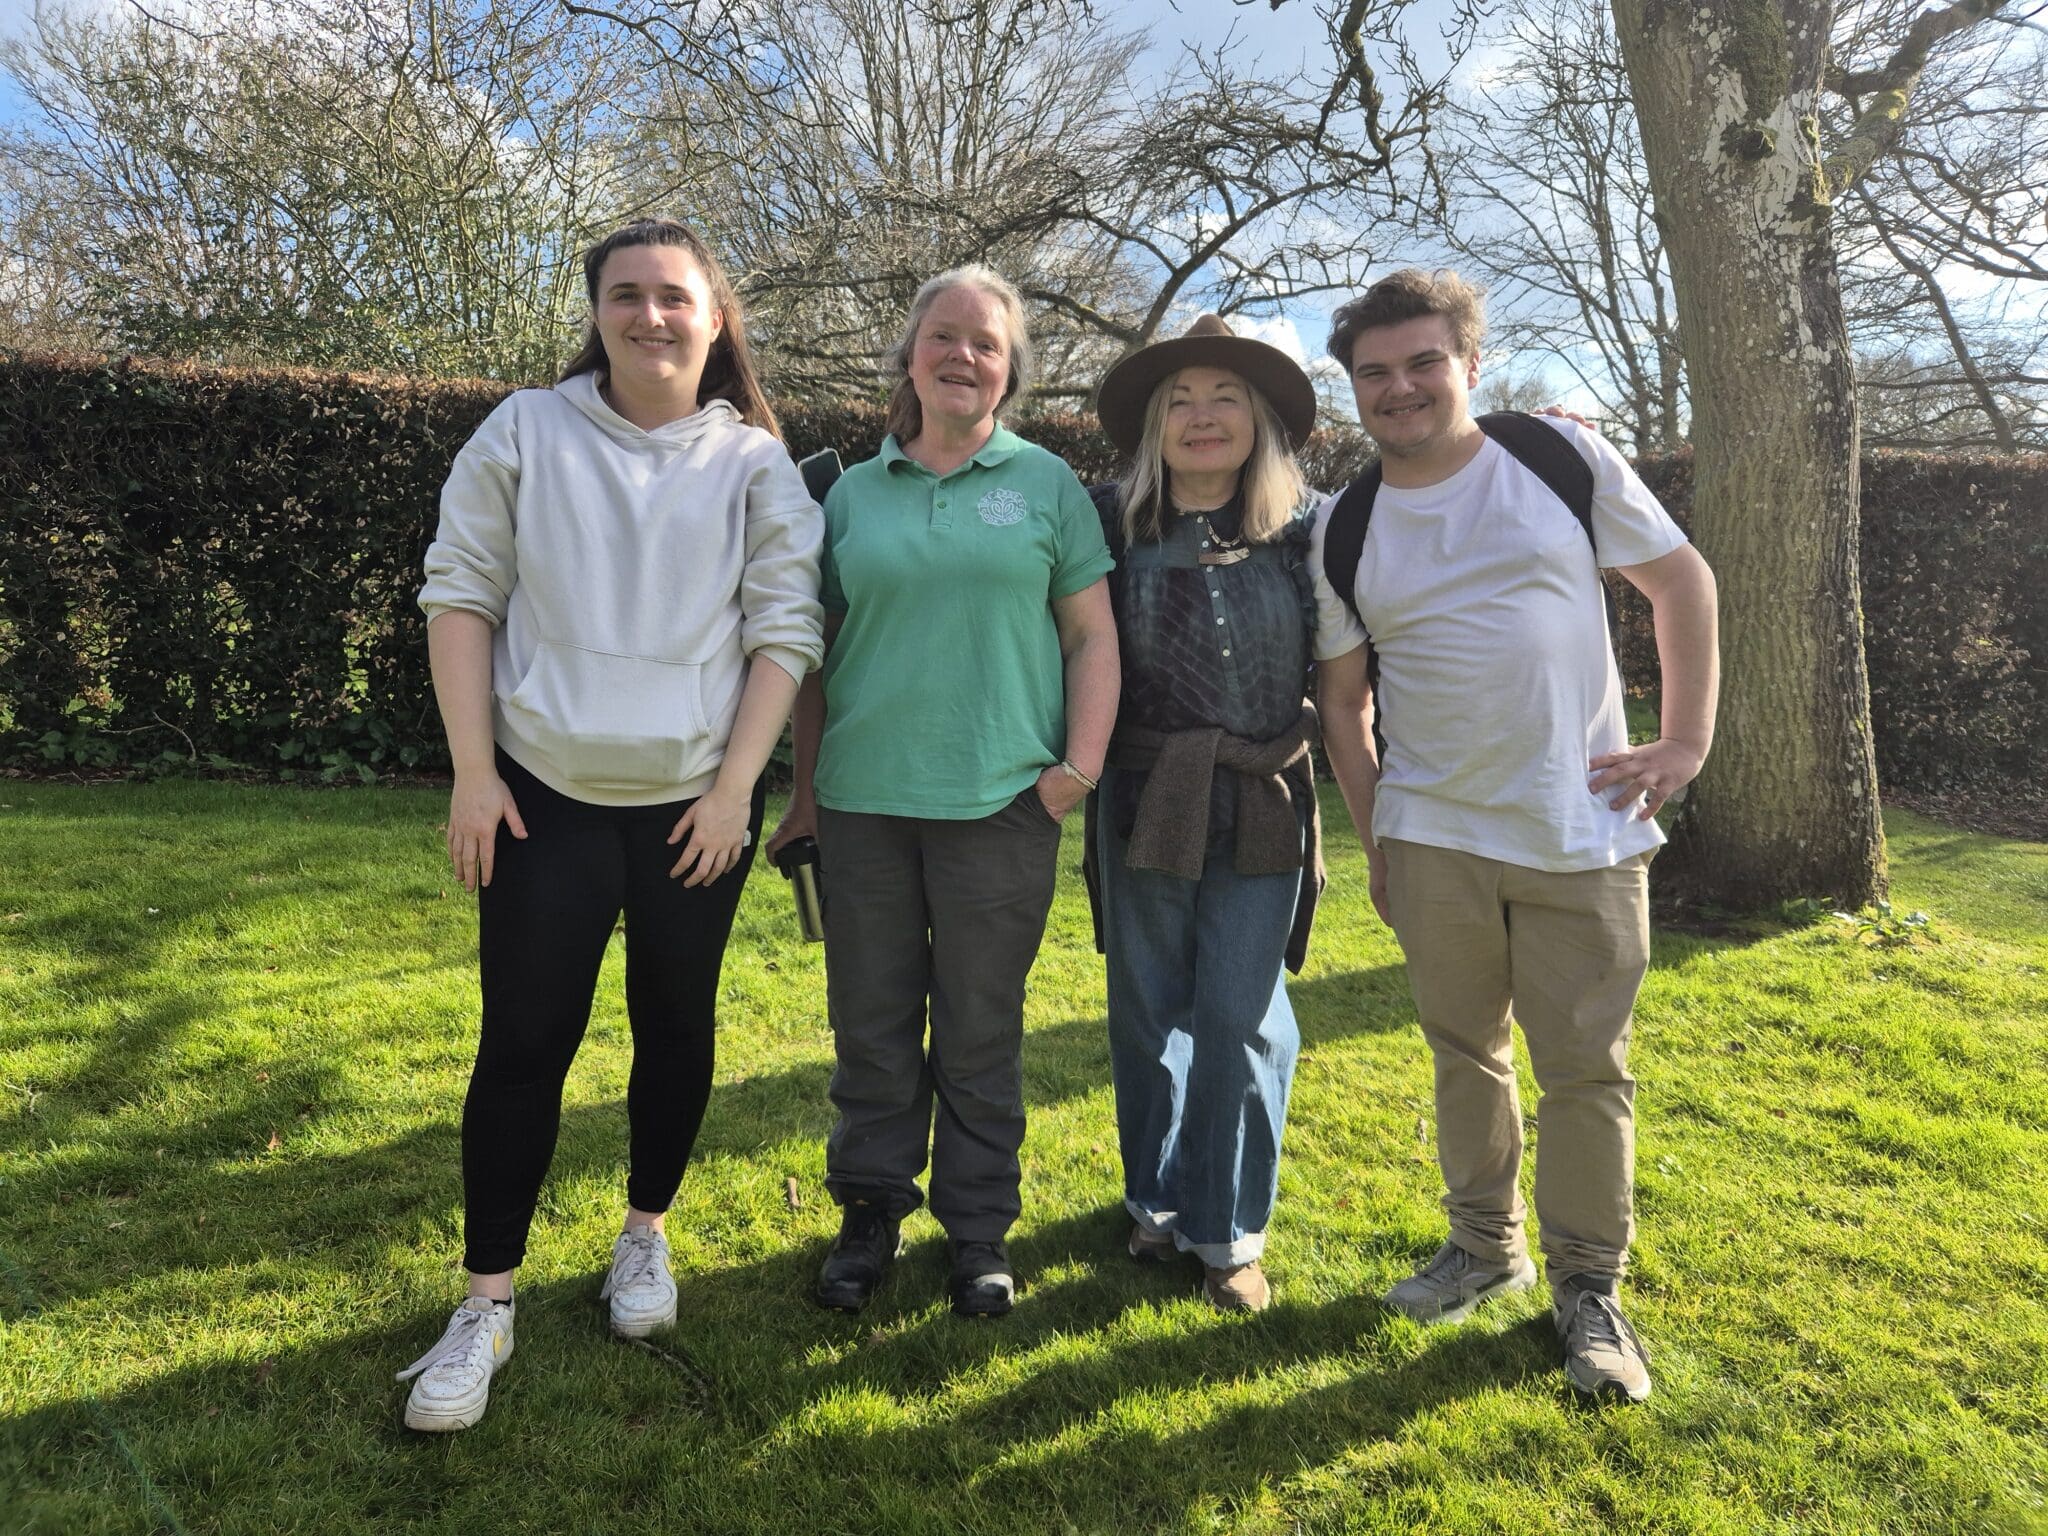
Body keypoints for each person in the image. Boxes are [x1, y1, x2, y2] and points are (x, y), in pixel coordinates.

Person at [398, 219, 825, 1432]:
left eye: (673, 298)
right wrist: (475, 774)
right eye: (624, 296)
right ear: (596, 312)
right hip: (542, 798)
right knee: (524, 1041)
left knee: (673, 1025)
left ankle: (645, 1234)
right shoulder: (525, 431)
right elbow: (461, 594)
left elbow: (782, 632)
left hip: (693, 806)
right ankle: (486, 1301)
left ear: (714, 317)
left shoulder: (754, 465)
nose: (650, 317)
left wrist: (736, 786)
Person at [1312, 269, 1717, 1402]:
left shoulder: (1555, 459)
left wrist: (1682, 744)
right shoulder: (1341, 525)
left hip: (1579, 831)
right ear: (1352, 387)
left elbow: (1680, 583)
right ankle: (1482, 1249)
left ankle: (1590, 1290)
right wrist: (1376, 833)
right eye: (1373, 373)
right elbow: (1341, 705)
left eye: (1421, 362)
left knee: (1584, 1072)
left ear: (1469, 364)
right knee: (1463, 1054)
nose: (1398, 388)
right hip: (1432, 839)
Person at [768, 265, 1119, 1318]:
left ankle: (977, 1230)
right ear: (908, 356)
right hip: (864, 803)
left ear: (1008, 372)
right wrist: (803, 794)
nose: (963, 355)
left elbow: (1092, 634)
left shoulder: (1046, 484)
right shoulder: (843, 493)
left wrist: (1077, 772)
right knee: (871, 1023)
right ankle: (870, 1210)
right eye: (945, 337)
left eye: (986, 344)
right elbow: (813, 653)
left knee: (978, 1028)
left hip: (1003, 808)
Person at [1082, 314, 1324, 1312]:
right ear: (1150, 427)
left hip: (1264, 799)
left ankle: (1227, 1231)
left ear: (1260, 417)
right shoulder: (1103, 523)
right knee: (1147, 1009)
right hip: (1142, 796)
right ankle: (1156, 1197)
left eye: (1223, 395)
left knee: (1239, 1014)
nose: (1199, 415)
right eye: (1177, 399)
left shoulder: (1312, 529)